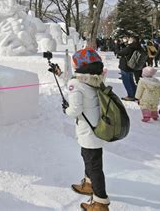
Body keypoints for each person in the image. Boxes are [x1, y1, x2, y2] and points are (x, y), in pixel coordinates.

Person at [63, 47, 110, 211]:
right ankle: (89, 184)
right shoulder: (97, 80)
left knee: (94, 166)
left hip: (88, 131)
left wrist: (66, 109)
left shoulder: (76, 83)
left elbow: (75, 110)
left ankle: (100, 203)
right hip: (98, 128)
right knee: (90, 159)